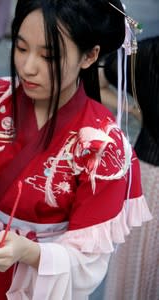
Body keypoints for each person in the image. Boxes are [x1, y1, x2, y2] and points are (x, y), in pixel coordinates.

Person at [0, 0, 153, 299]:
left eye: (48, 56)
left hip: (46, 281)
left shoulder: (104, 145)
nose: (28, 67)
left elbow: (88, 257)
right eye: (21, 48)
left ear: (89, 56)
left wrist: (31, 252)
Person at [99, 36, 159, 300]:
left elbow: (96, 74)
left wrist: (134, 109)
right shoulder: (148, 52)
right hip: (150, 179)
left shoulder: (148, 51)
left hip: (149, 175)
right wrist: (131, 108)